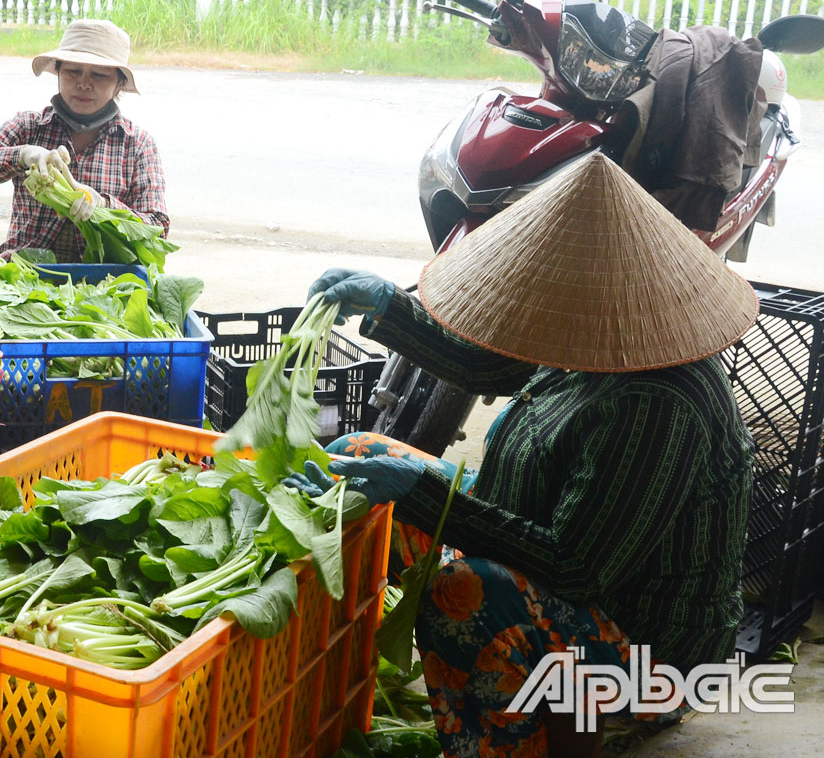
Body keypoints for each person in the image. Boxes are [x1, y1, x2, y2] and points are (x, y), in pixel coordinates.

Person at [301, 153, 757, 758]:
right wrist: (390, 307)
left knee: (461, 594)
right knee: (358, 456)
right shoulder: (591, 328)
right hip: (559, 559)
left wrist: (420, 493)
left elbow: (573, 568)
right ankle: (338, 685)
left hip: (648, 647)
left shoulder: (655, 402)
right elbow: (490, 364)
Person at [0, 18, 168, 263]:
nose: (84, 84)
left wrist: (104, 205)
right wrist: (20, 155)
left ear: (119, 84)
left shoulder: (138, 145)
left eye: (99, 75)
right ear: (58, 72)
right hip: (20, 276)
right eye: (73, 71)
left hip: (104, 285)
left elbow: (158, 230)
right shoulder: (29, 126)